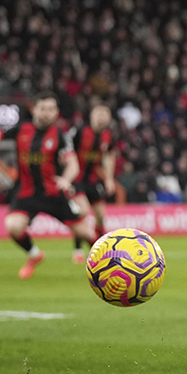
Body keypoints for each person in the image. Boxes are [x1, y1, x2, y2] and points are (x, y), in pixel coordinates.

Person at [0, 92, 94, 279]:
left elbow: (73, 164)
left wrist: (66, 180)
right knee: (13, 226)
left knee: (88, 235)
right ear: (34, 109)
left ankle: (110, 264)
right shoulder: (21, 129)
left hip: (53, 195)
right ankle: (35, 255)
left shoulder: (60, 135)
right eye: (43, 108)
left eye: (51, 109)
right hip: (27, 194)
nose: (47, 113)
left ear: (56, 112)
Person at [71, 103, 117, 263]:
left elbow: (109, 155)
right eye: (99, 113)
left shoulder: (108, 135)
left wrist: (109, 179)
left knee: (100, 217)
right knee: (82, 212)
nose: (102, 117)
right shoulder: (79, 131)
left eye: (105, 114)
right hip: (76, 180)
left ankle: (100, 248)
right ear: (92, 115)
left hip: (92, 180)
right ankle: (77, 249)